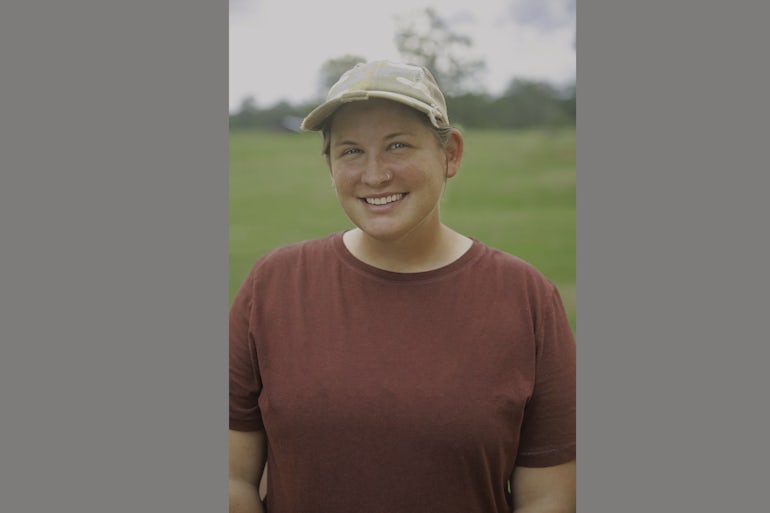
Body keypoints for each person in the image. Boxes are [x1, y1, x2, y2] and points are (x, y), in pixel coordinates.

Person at [229, 60, 575, 513]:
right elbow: (232, 480)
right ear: (329, 165)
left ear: (450, 153)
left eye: (397, 145)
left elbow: (549, 500)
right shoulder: (272, 286)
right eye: (351, 151)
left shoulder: (526, 298)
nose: (374, 175)